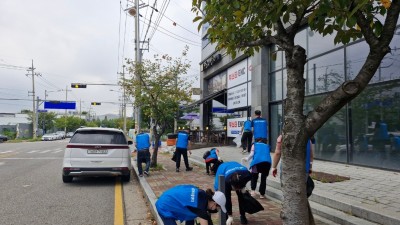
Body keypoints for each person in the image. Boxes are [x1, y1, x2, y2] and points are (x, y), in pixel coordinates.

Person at [156, 184, 227, 225]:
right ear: (215, 203)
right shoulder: (201, 207)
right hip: (165, 205)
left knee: (191, 218)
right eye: (218, 208)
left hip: (168, 197)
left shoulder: (202, 194)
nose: (216, 210)